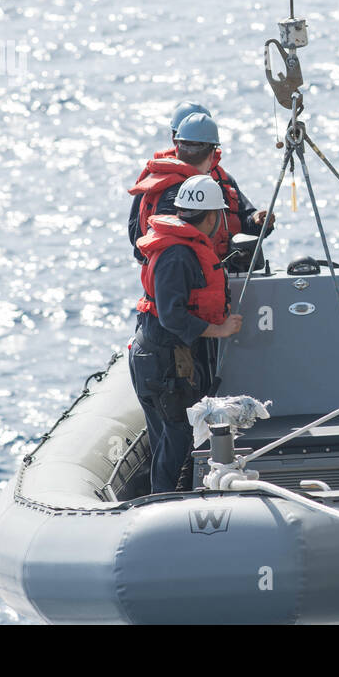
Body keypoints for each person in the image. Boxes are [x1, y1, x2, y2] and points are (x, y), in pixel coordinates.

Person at [131, 175, 244, 493]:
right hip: (162, 357)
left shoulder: (179, 247)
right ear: (211, 217)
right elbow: (171, 316)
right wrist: (218, 329)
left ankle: (164, 497)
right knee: (177, 434)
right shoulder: (177, 255)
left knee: (169, 436)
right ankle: (163, 502)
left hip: (160, 353)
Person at [130, 112, 274, 263]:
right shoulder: (182, 192)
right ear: (212, 153)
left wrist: (256, 221)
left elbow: (142, 248)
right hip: (193, 279)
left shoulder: (157, 183)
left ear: (177, 146)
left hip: (189, 276)